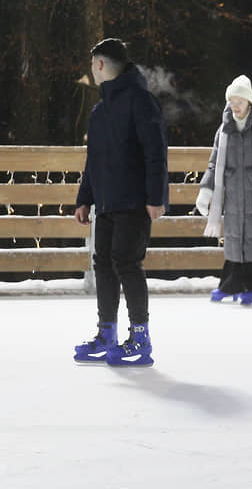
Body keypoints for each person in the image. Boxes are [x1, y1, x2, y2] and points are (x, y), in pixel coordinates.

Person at [73, 38, 168, 367]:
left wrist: (156, 197)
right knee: (103, 264)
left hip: (134, 201)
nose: (91, 71)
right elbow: (93, 160)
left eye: (91, 65)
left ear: (99, 64)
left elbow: (155, 152)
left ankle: (140, 337)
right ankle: (107, 332)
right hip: (107, 202)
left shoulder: (140, 101)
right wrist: (84, 199)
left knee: (127, 263)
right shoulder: (100, 111)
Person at [195, 75, 252, 306]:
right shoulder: (224, 131)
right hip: (233, 197)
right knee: (235, 240)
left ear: (249, 102)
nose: (235, 106)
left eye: (239, 101)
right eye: (231, 101)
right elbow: (214, 163)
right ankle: (231, 284)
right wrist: (206, 190)